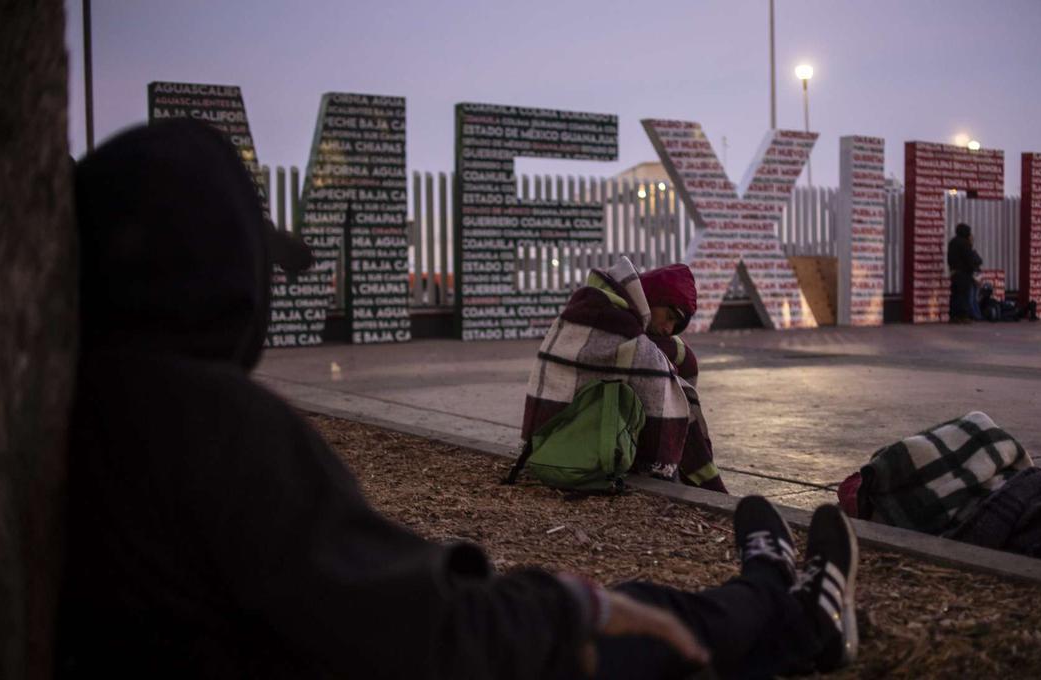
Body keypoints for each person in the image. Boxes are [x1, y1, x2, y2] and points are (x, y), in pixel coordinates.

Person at [58, 119, 861, 679]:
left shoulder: (77, 416)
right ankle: (788, 606)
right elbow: (430, 635)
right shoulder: (205, 430)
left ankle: (770, 595)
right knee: (628, 623)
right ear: (213, 279)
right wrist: (569, 613)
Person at [522, 258, 726, 492]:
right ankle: (706, 483)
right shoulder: (608, 314)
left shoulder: (607, 306)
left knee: (680, 360)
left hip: (543, 442)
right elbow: (653, 375)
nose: (667, 329)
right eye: (669, 316)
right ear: (652, 299)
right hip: (565, 443)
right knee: (674, 388)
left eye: (675, 326)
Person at [946, 222, 982, 323]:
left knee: (955, 295)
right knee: (964, 296)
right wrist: (973, 270)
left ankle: (953, 316)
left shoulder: (952, 242)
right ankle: (963, 316)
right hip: (964, 273)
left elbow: (949, 258)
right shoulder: (965, 243)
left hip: (954, 272)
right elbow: (969, 259)